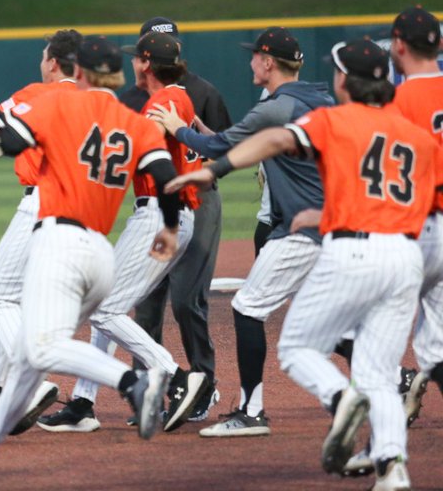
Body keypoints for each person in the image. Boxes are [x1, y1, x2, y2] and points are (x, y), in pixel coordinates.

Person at [166, 38, 442, 491]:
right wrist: (330, 211)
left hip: (352, 251)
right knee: (378, 367)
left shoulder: (333, 118)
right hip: (405, 257)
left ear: (346, 81)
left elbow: (276, 138)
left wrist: (212, 169)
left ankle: (341, 397)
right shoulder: (415, 136)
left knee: (296, 347)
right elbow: (411, 200)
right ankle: (392, 469)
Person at [0, 37, 184, 484]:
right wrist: (169, 230)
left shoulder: (56, 103)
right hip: (101, 255)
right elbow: (167, 179)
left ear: (78, 71)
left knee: (42, 347)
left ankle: (135, 383)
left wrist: (21, 129)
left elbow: (9, 143)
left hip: (60, 245)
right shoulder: (135, 122)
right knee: (29, 359)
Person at [149, 26, 333, 438]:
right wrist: (198, 126)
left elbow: (221, 151)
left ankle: (252, 411)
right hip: (333, 224)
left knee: (249, 306)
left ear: (268, 62)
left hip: (302, 228)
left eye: (255, 56)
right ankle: (391, 382)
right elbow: (237, 146)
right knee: (321, 321)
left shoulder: (275, 107)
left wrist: (179, 128)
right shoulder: (313, 98)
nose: (250, 61)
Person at [39, 31, 208, 434]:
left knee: (104, 309)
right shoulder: (169, 98)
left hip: (161, 216)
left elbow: (142, 134)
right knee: (104, 306)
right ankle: (83, 403)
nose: (133, 64)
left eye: (138, 58)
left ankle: (177, 376)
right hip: (162, 214)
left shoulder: (168, 96)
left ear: (146, 64)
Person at [0, 30, 82, 422]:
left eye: (45, 56)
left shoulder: (38, 93)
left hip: (42, 202)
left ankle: (32, 381)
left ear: (53, 63)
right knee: (17, 299)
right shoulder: (94, 99)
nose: (42, 62)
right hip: (84, 206)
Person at [122, 16, 230, 421]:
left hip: (198, 202)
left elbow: (227, 151)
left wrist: (191, 148)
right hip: (154, 206)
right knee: (146, 304)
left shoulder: (202, 92)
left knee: (187, 301)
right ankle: (149, 391)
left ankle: (203, 385)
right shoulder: (131, 98)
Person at [388, 6, 443, 421]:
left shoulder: (400, 100)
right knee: (434, 340)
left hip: (421, 226)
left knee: (367, 315)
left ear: (399, 45)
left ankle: (382, 439)